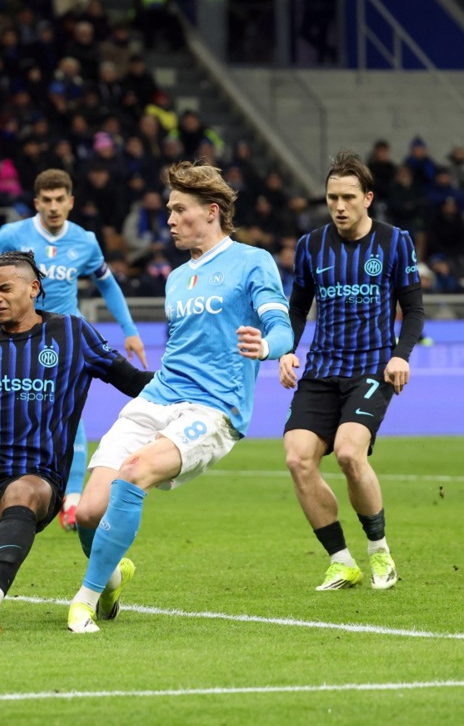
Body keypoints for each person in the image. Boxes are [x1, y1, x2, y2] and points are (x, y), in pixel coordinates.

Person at [66, 161, 294, 634]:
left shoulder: (253, 262)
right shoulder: (174, 278)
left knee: (135, 474)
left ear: (211, 212)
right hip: (159, 397)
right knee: (87, 512)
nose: (169, 219)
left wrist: (268, 348)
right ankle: (110, 578)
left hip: (214, 408)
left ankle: (84, 601)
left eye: (178, 209)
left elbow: (281, 328)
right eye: (169, 209)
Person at [0, 251, 154, 634]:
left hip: (37, 477)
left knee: (23, 492)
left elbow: (134, 383)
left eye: (5, 288)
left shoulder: (72, 333)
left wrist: (196, 381)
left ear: (33, 289)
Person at [278, 150, 424, 591]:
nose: (338, 206)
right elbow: (298, 308)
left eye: (347, 197)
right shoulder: (311, 246)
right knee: (297, 459)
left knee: (347, 453)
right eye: (331, 198)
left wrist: (401, 355)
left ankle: (380, 553)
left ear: (367, 198)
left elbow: (414, 309)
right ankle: (342, 562)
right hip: (321, 370)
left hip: (370, 369)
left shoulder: (395, 242)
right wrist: (286, 348)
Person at [0, 169, 148, 532]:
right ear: (37, 203)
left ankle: (71, 500)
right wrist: (3, 309)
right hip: (20, 339)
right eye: (46, 201)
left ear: (71, 201)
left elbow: (108, 285)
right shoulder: (12, 235)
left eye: (60, 200)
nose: (54, 207)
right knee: (22, 408)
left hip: (64, 339)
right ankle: (18, 488)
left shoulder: (85, 241)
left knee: (69, 412)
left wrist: (129, 331)